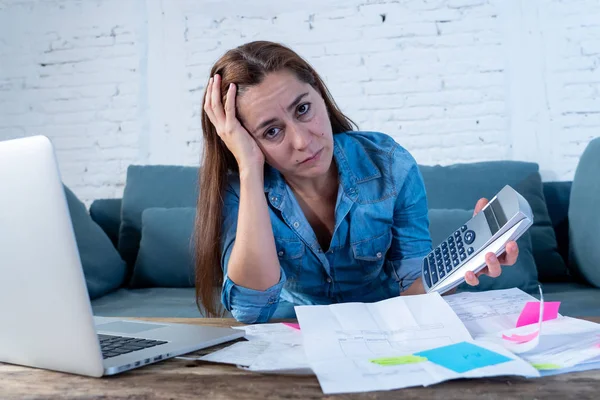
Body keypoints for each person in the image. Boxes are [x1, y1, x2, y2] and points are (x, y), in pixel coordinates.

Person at [194, 41, 519, 323]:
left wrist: (462, 268)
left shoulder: (389, 164)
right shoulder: (240, 191)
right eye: (271, 131)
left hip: (388, 329)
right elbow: (250, 311)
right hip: (299, 339)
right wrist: (250, 169)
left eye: (304, 109)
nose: (303, 141)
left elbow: (414, 290)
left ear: (321, 94)